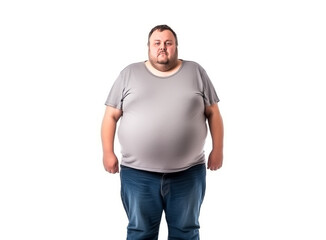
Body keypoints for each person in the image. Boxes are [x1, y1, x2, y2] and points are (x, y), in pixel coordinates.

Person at [101, 24, 224, 240]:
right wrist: (107, 153)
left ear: (176, 46)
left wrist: (218, 150)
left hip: (188, 172)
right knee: (140, 232)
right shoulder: (129, 73)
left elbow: (213, 113)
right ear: (148, 47)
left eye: (168, 43)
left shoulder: (196, 71)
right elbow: (110, 116)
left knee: (186, 231)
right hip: (138, 173)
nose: (162, 47)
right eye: (157, 43)